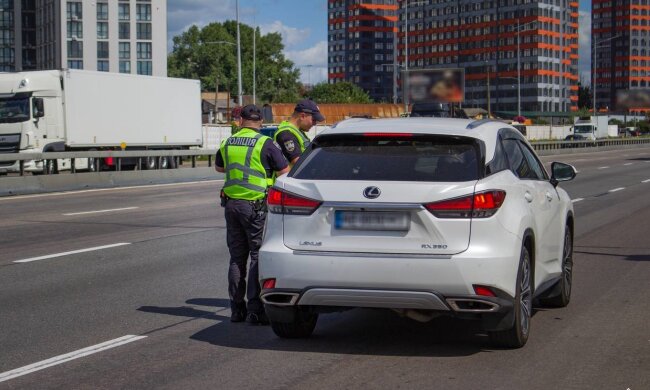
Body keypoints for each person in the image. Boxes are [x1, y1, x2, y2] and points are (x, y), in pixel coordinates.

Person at [215, 104, 290, 325]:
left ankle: (236, 310)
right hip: (255, 206)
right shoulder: (265, 143)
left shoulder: (228, 142)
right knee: (257, 255)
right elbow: (284, 170)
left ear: (241, 121)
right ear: (261, 122)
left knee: (237, 258)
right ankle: (255, 311)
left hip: (231, 204)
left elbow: (220, 168)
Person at [274, 99, 325, 166]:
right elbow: (297, 163)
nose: (315, 123)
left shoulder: (297, 131)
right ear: (302, 116)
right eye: (314, 120)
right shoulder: (286, 134)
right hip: (291, 176)